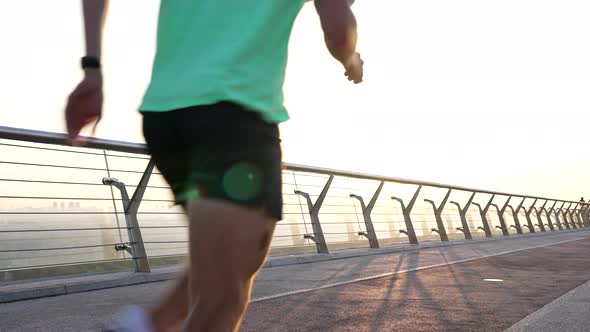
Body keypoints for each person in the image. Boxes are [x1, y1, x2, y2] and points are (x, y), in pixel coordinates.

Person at [65, 0, 363, 331]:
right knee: (223, 299)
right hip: (234, 118)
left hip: (165, 118)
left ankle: (143, 326)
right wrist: (351, 59)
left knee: (223, 262)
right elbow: (337, 28)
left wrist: (92, 69)